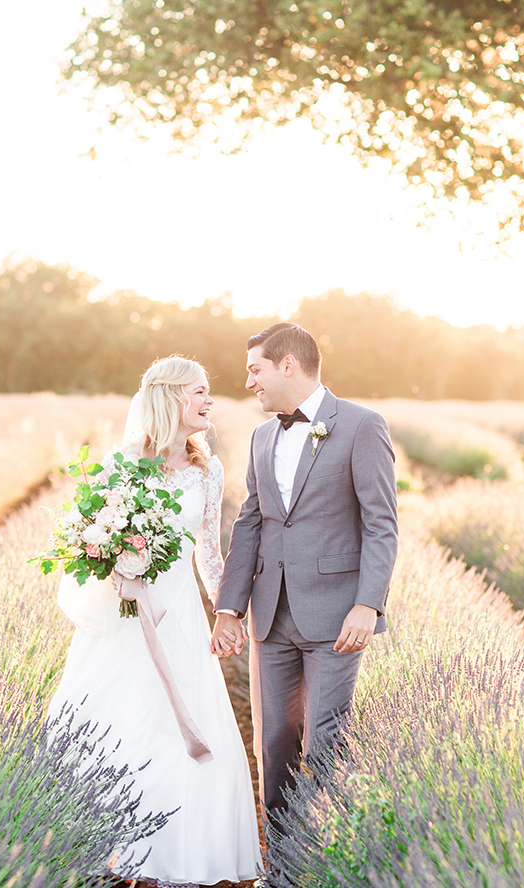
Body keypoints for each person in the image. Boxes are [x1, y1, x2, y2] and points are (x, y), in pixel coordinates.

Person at [48, 355, 261, 888]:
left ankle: (173, 853)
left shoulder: (207, 472)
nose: (210, 401)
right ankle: (111, 850)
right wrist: (114, 563)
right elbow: (89, 538)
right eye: (200, 392)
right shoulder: (123, 465)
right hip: (125, 617)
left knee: (177, 723)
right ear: (170, 398)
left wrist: (227, 613)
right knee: (121, 721)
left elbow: (210, 555)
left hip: (181, 614)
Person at [211, 323, 398, 833]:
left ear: (287, 366)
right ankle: (281, 856)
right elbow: (251, 522)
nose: (249, 381)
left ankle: (320, 854)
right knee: (274, 739)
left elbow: (382, 523)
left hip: (336, 618)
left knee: (325, 740)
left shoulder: (362, 426)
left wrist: (368, 604)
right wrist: (229, 608)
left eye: (255, 370)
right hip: (270, 617)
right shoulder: (262, 435)